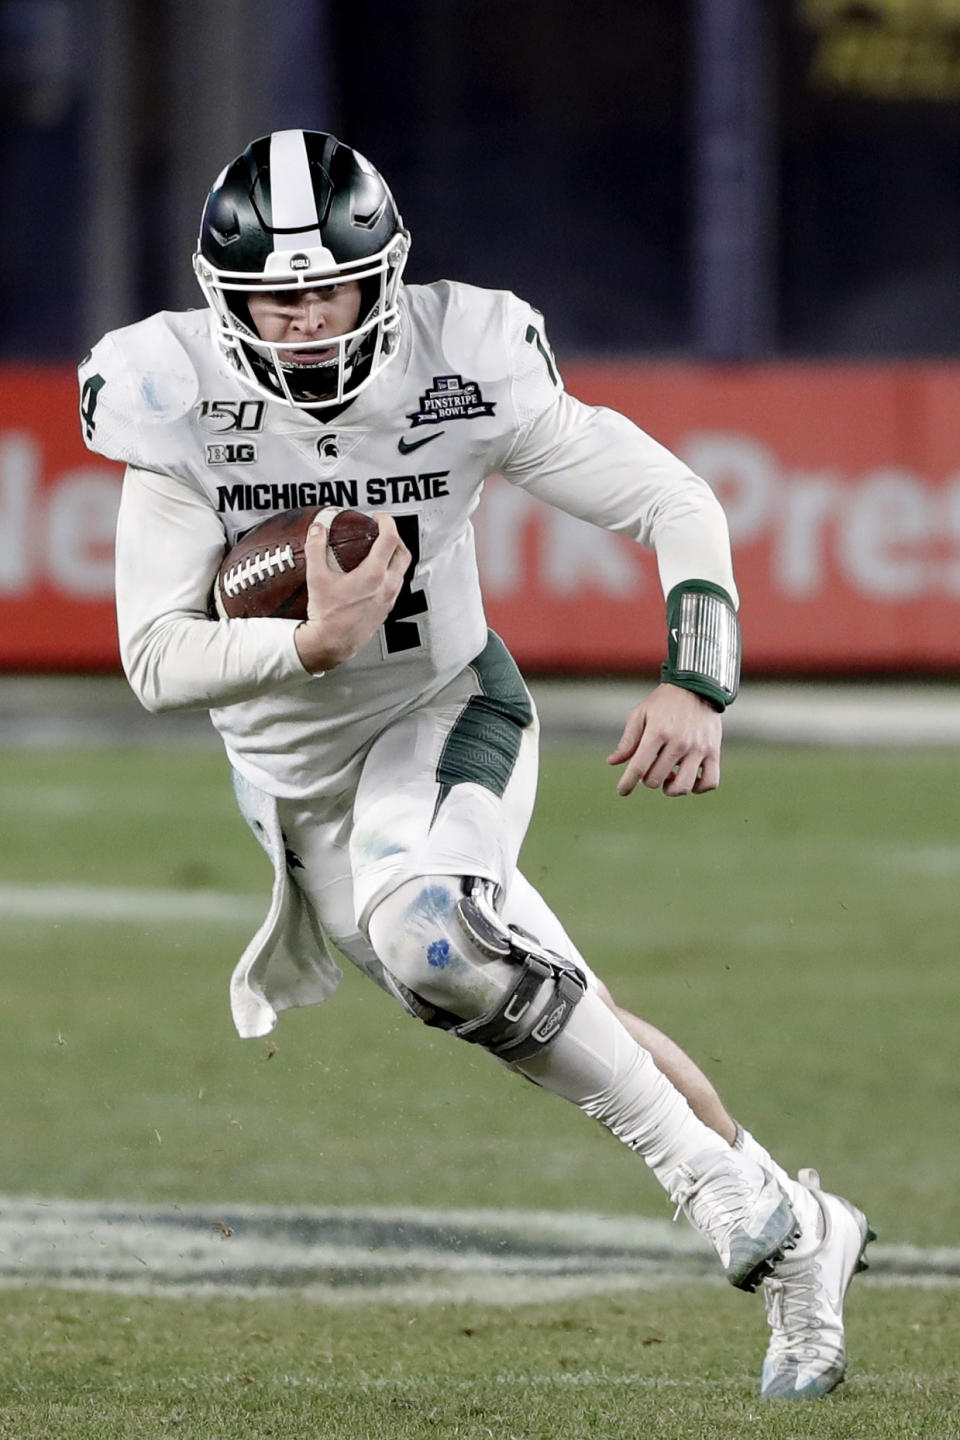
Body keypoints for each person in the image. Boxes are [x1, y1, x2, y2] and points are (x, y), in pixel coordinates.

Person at [79, 129, 872, 1399]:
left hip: (446, 708)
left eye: (323, 290)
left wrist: (696, 677)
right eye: (273, 297)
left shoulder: (467, 361)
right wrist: (311, 637)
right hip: (293, 786)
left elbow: (675, 498)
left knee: (437, 938)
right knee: (540, 1006)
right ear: (224, 300)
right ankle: (801, 1230)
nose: (298, 324)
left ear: (380, 277)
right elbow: (154, 658)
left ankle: (723, 1196)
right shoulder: (166, 388)